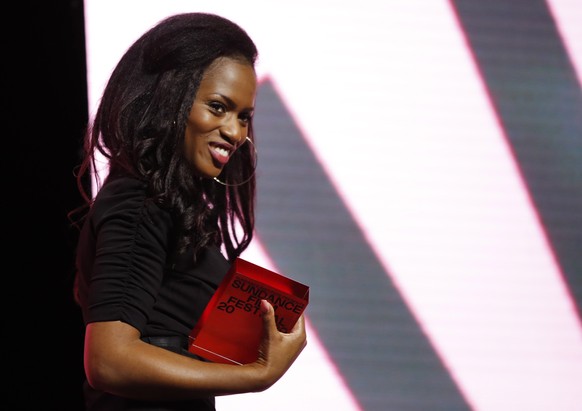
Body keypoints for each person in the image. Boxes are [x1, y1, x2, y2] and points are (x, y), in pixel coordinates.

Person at [70, 12, 307, 411]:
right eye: (218, 107)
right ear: (170, 98)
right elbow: (108, 361)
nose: (235, 132)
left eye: (244, 116)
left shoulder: (172, 206)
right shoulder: (140, 203)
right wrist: (257, 375)